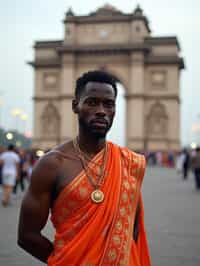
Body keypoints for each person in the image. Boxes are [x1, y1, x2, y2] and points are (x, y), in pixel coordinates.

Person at [18, 70, 151, 265]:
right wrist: (69, 259)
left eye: (108, 104)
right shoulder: (52, 165)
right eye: (91, 102)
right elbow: (26, 235)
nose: (101, 110)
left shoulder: (129, 163)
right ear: (75, 106)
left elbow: (133, 228)